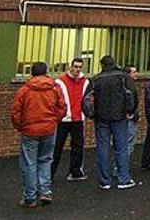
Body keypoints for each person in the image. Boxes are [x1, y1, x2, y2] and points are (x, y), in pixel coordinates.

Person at [12, 62, 66, 208]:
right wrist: (55, 121)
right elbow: (62, 107)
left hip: (29, 130)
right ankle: (45, 191)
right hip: (48, 128)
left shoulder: (24, 90)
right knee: (46, 159)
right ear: (46, 72)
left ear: (32, 73)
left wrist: (20, 126)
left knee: (29, 163)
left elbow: (16, 112)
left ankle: (30, 197)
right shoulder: (54, 88)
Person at [86, 55, 138, 190]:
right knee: (121, 148)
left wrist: (91, 114)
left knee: (102, 148)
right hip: (119, 117)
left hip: (101, 117)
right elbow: (132, 94)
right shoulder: (122, 77)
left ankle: (104, 181)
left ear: (102, 65)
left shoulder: (96, 79)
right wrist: (130, 110)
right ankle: (123, 179)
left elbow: (86, 99)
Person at [52, 58, 89, 182]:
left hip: (78, 118)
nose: (77, 70)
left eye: (80, 67)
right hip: (64, 119)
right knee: (57, 146)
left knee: (78, 146)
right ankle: (49, 174)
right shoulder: (60, 81)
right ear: (70, 67)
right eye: (76, 67)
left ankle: (75, 172)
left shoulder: (86, 82)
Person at [123, 65, 140, 159]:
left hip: (128, 116)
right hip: (130, 117)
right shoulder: (129, 86)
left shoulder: (126, 85)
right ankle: (120, 167)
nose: (136, 74)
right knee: (129, 143)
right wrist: (130, 112)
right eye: (134, 72)